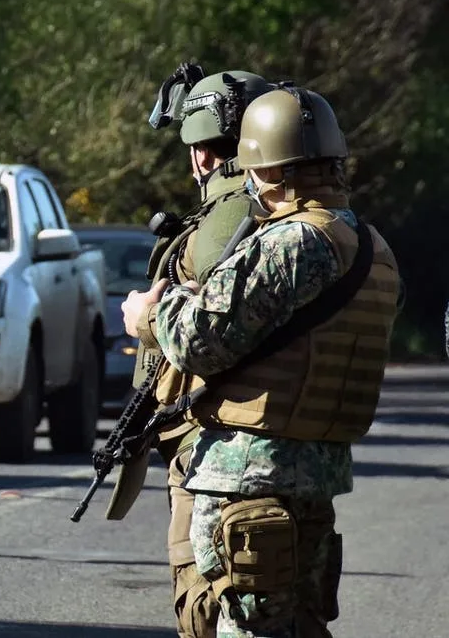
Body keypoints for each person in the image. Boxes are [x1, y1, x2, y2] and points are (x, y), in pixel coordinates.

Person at [122, 85, 401, 636]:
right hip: (315, 476)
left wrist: (147, 316)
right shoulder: (371, 247)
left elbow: (199, 339)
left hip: (248, 481)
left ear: (265, 168)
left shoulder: (291, 242)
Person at [109, 67, 276, 638]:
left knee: (207, 606)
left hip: (214, 440)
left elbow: (207, 330)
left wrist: (146, 319)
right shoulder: (287, 215)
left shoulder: (228, 217)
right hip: (246, 436)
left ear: (204, 152)